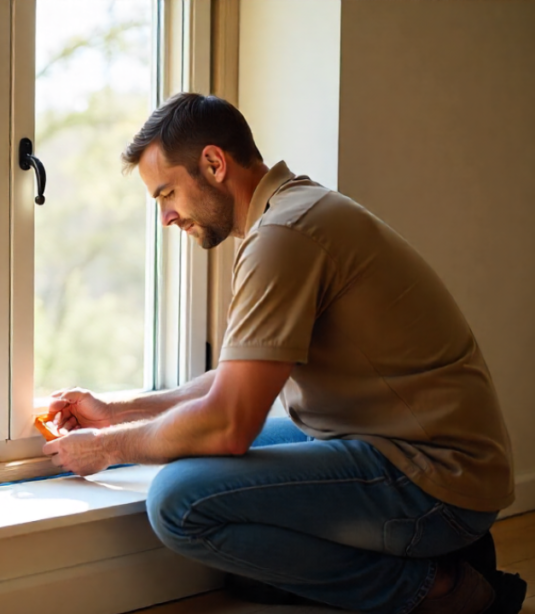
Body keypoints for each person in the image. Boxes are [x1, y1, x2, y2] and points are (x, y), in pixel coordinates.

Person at [40, 93, 525, 613]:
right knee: (191, 451)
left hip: (437, 483)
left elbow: (229, 423)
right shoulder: (292, 213)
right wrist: (118, 413)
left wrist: (107, 448)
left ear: (213, 163)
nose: (166, 216)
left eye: (168, 193)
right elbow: (232, 382)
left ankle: (441, 591)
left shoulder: (284, 236)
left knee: (178, 501)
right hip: (391, 445)